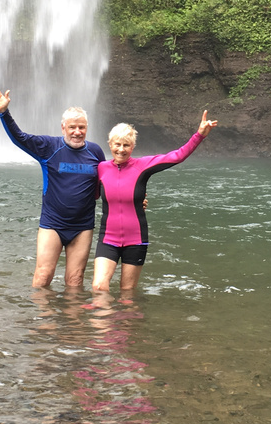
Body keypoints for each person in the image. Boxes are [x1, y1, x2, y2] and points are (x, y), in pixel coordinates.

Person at [0, 83, 105, 289]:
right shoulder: (49, 147)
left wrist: (134, 199)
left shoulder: (95, 152)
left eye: (82, 127)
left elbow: (107, 184)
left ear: (87, 127)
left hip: (82, 226)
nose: (77, 132)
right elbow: (20, 138)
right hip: (53, 224)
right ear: (63, 128)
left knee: (75, 280)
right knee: (43, 277)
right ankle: (44, 320)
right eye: (72, 127)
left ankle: (73, 320)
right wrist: (4, 113)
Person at [92, 111, 218, 293]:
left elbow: (177, 156)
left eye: (126, 145)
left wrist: (199, 135)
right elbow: (90, 193)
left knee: (127, 294)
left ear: (132, 147)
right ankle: (103, 321)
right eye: (117, 144)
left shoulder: (142, 165)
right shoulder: (101, 169)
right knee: (98, 287)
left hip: (135, 239)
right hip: (108, 238)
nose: (121, 149)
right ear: (110, 145)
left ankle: (125, 321)